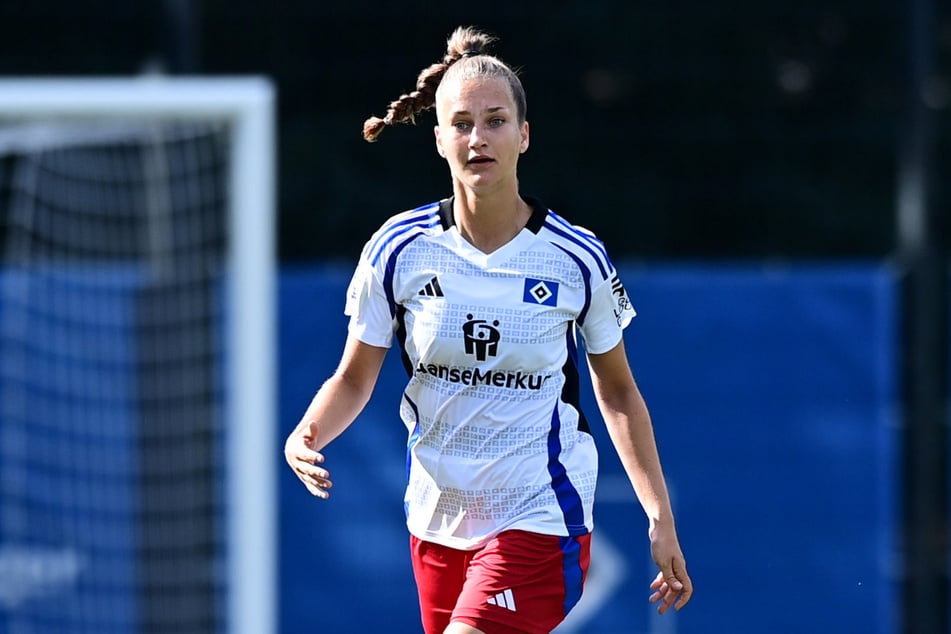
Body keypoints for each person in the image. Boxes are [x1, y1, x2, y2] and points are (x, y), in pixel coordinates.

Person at [284, 25, 692, 634]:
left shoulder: (574, 260)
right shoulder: (399, 249)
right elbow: (354, 374)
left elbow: (618, 392)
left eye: (496, 120)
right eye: (463, 123)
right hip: (436, 518)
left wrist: (659, 514)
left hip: (540, 513)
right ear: (439, 139)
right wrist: (306, 433)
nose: (480, 137)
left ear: (524, 136)